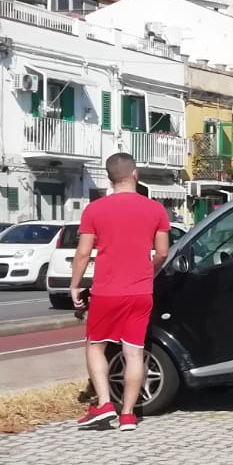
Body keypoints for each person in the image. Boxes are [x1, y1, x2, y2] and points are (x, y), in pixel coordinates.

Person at [72, 152, 171, 431]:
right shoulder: (155, 209)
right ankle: (128, 414)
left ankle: (105, 404)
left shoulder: (94, 210)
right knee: (134, 352)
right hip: (140, 291)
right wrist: (147, 271)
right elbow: (162, 252)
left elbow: (82, 254)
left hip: (106, 290)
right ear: (135, 174)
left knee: (96, 345)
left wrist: (75, 285)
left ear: (109, 177)